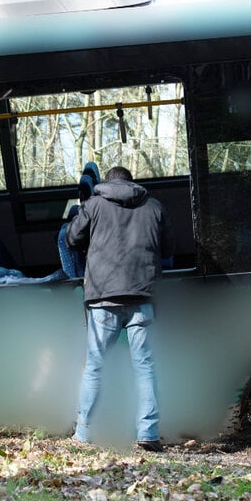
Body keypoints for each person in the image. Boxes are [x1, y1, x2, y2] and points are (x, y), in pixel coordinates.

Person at [66, 165, 174, 451]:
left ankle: (83, 434)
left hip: (104, 297)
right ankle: (148, 433)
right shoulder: (154, 207)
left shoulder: (93, 205)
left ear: (106, 183)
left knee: (95, 367)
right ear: (132, 183)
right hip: (142, 296)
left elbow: (72, 240)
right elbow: (168, 249)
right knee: (145, 368)